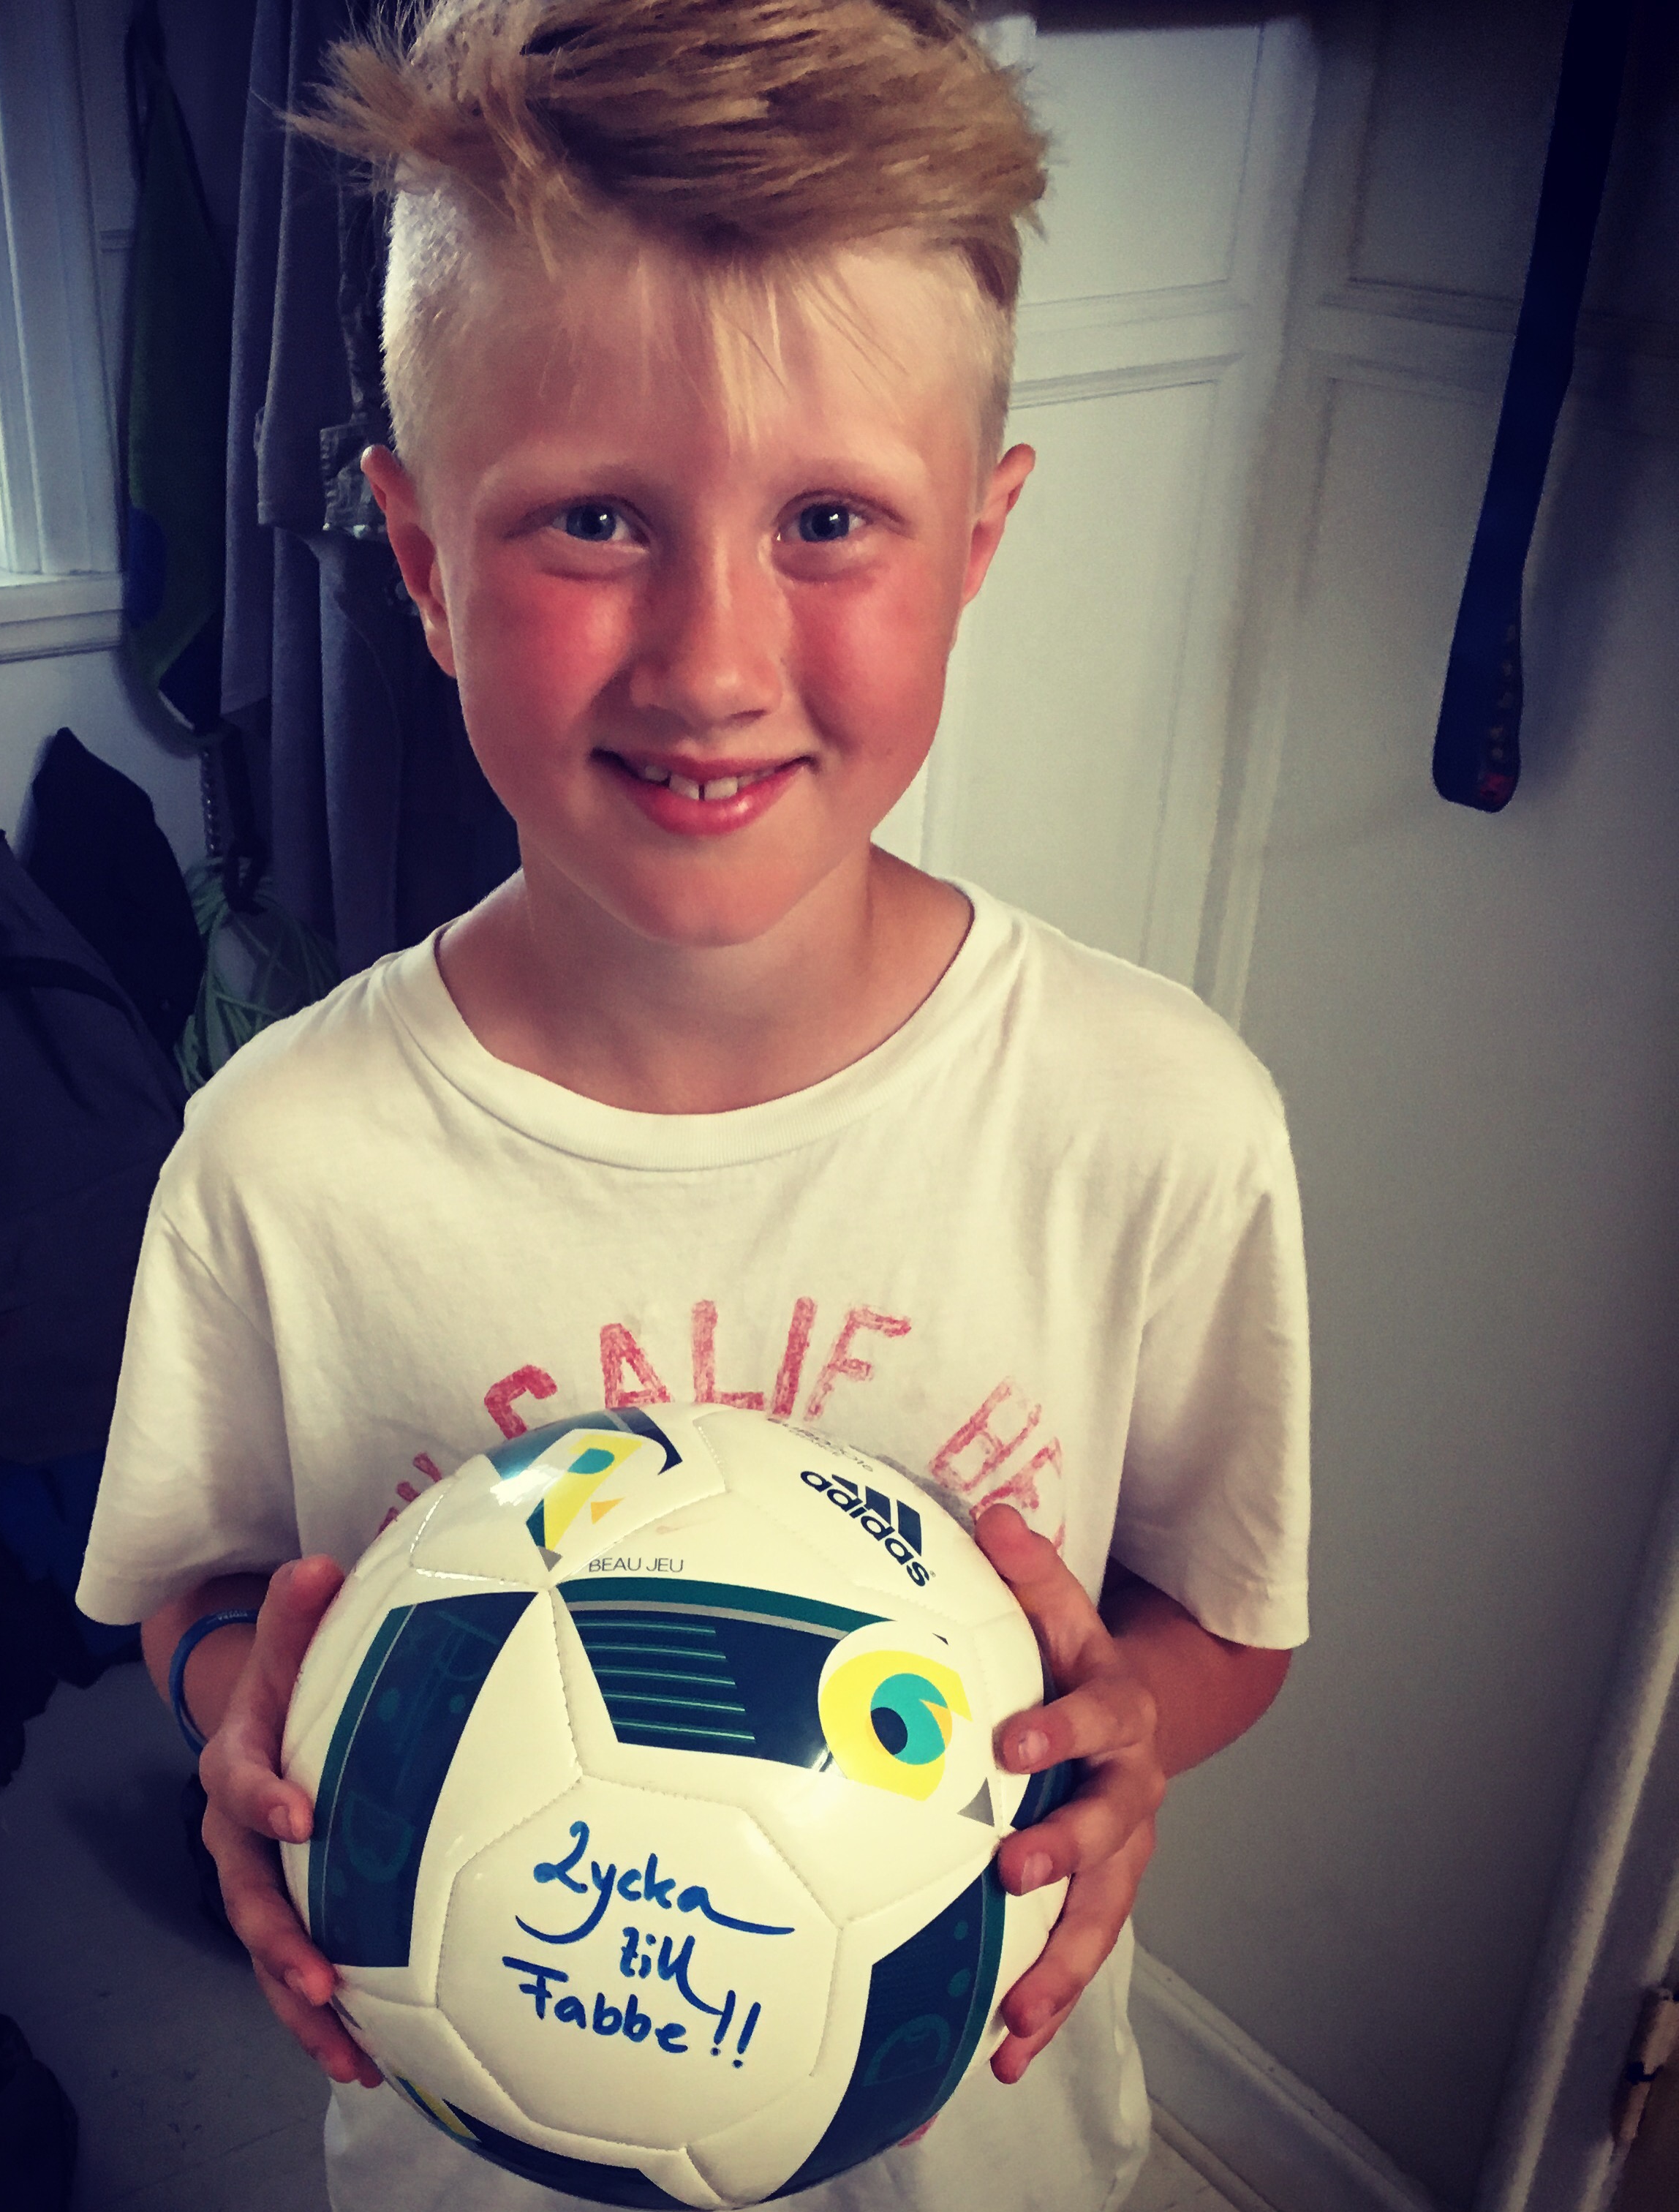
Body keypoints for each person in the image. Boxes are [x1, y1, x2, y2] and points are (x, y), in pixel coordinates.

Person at [75, 1, 1310, 2205]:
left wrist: (1133, 1731)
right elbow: (191, 1592)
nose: (714, 661)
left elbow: (1227, 1616)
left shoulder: (1155, 1118)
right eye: (595, 521)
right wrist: (240, 1719)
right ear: (422, 559)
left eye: (831, 517)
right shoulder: (279, 1158)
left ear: (980, 542)